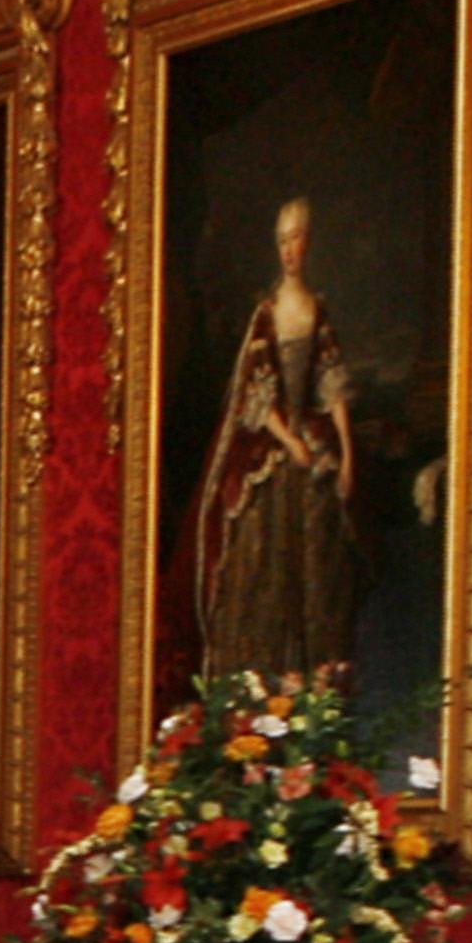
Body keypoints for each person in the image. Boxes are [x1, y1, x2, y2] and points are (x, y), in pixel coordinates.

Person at [188, 195, 365, 683]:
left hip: (312, 435)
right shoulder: (265, 314)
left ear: (309, 243)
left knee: (322, 559)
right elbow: (257, 395)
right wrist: (290, 442)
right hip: (276, 440)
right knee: (260, 553)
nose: (289, 250)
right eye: (282, 241)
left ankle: (319, 678)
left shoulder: (318, 310)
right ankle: (262, 685)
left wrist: (347, 456)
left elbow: (332, 385)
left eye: (296, 239)